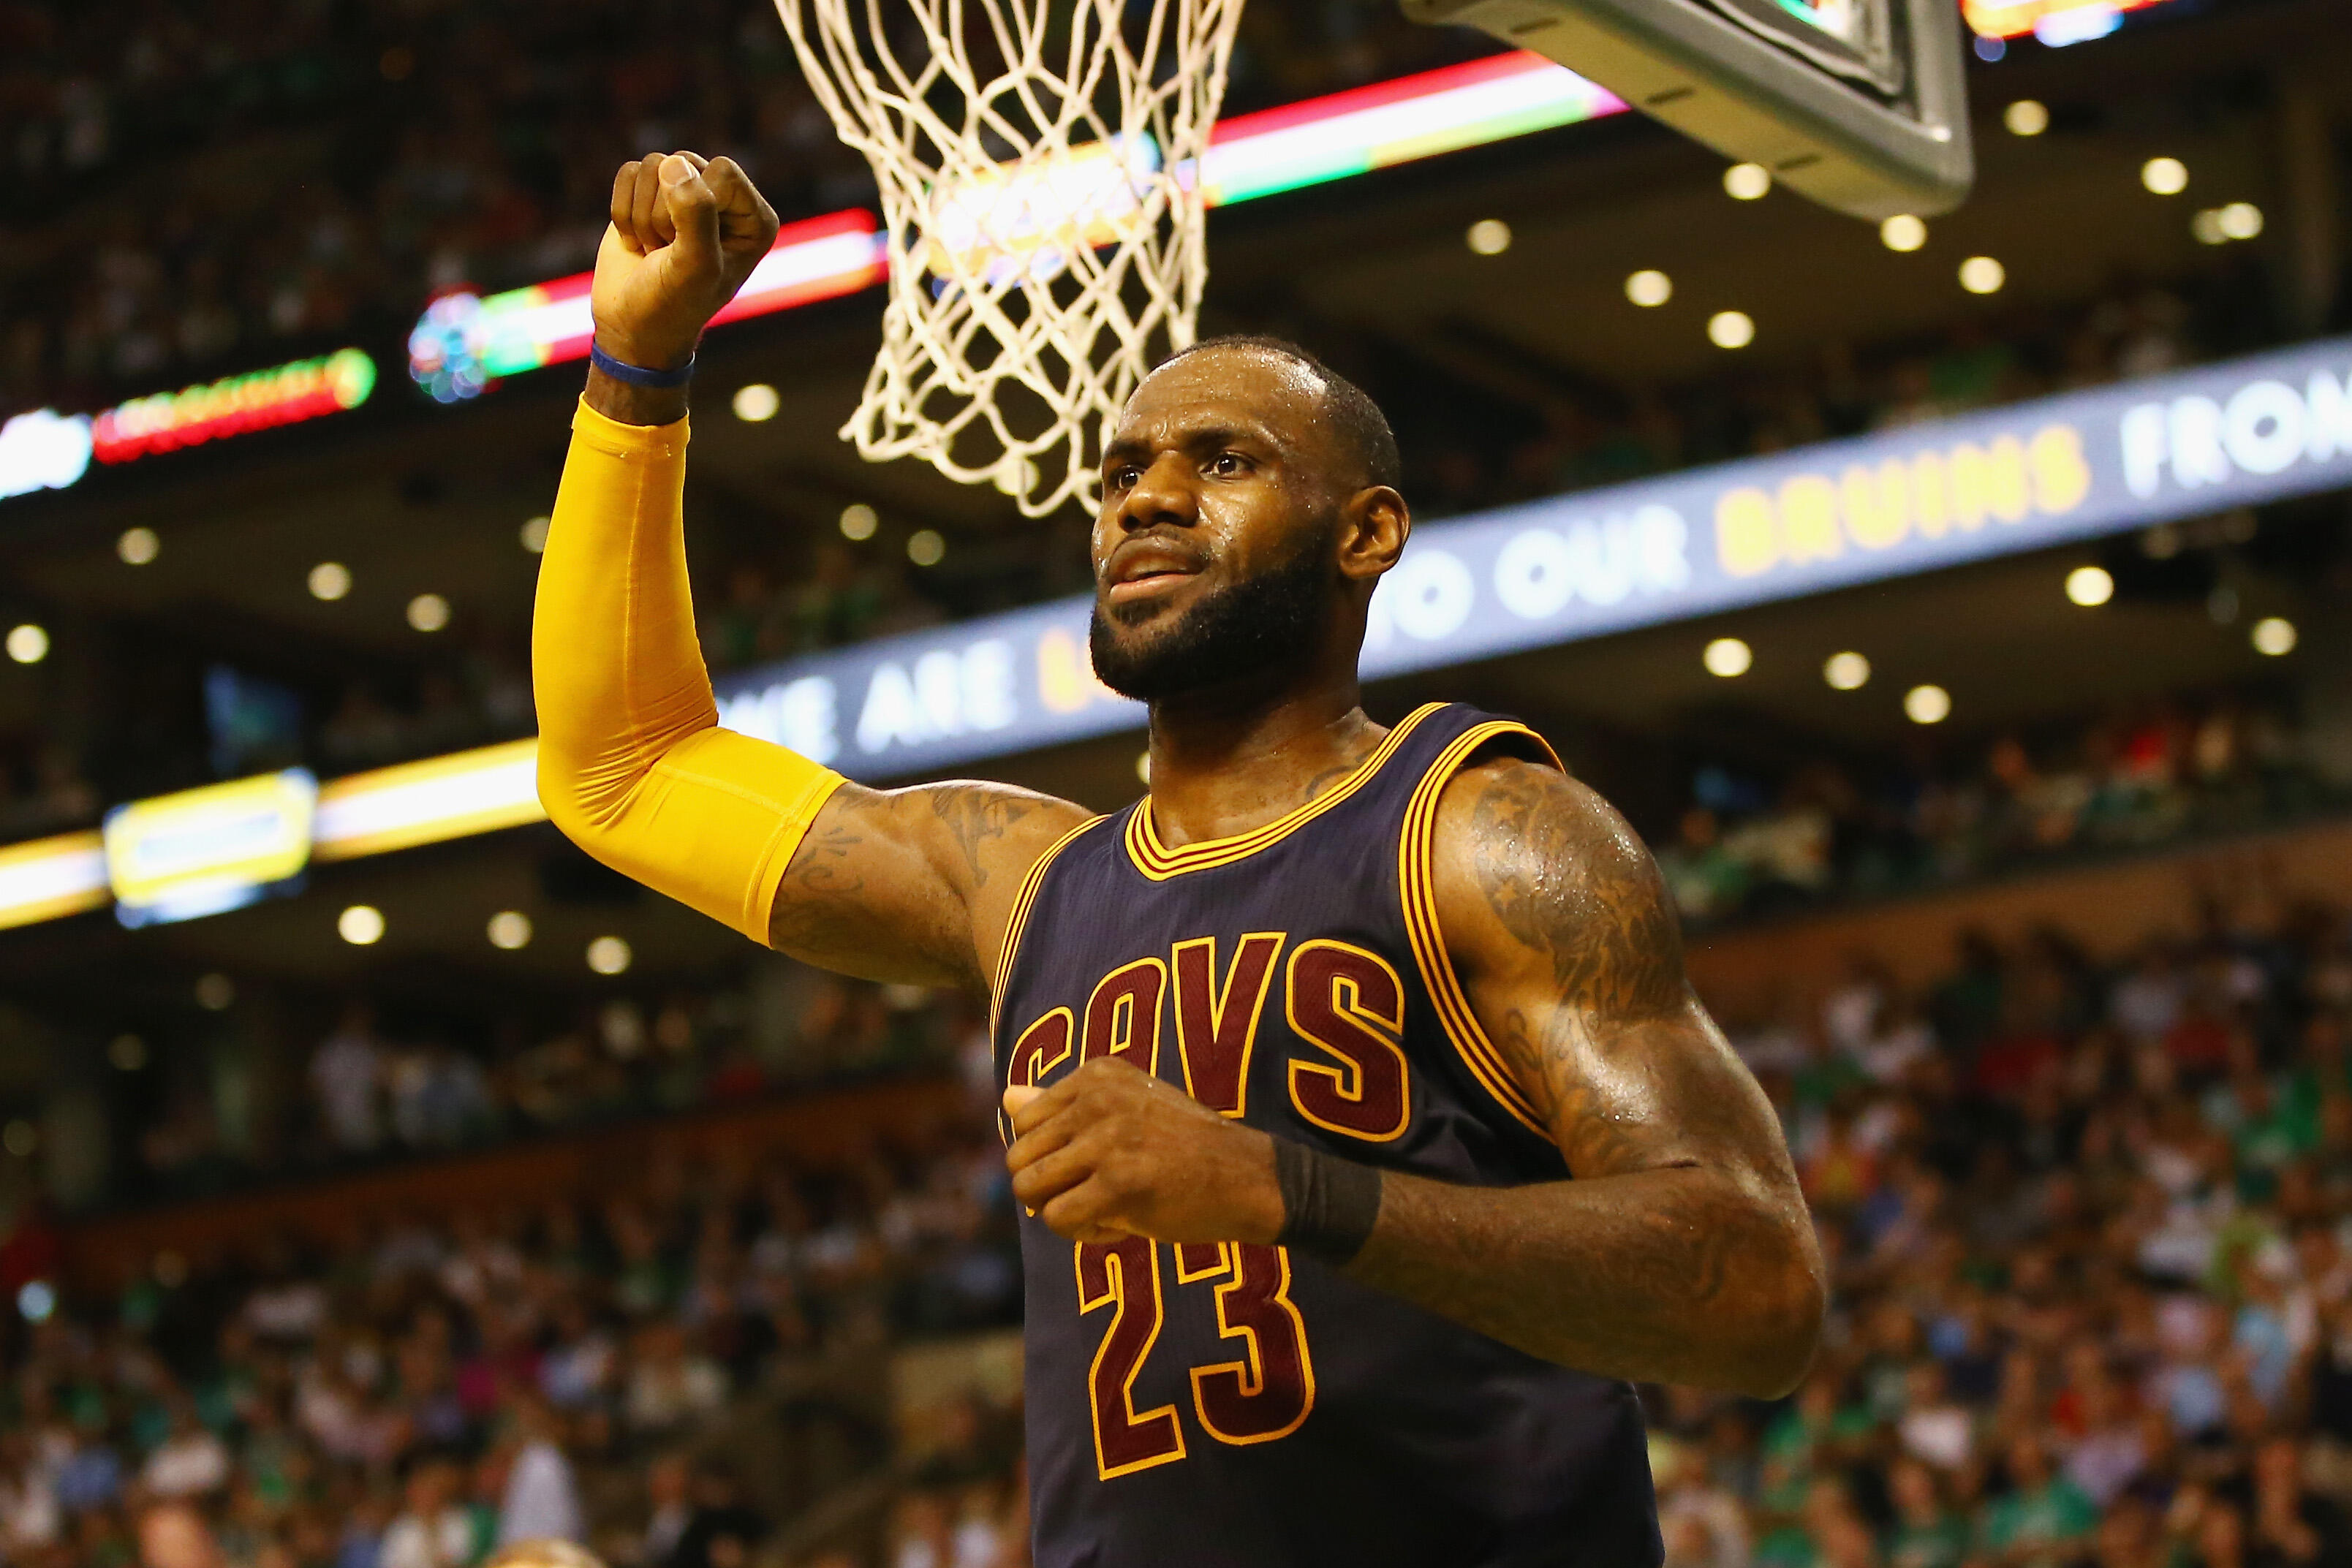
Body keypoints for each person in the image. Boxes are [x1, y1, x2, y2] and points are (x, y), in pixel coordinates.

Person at [534, 150, 1825, 1568]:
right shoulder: (1021, 878)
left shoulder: (1481, 830)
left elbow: (1756, 1286)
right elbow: (623, 769)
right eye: (1123, 470)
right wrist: (637, 366)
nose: (1147, 497)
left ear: (1366, 531)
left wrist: (1286, 1187)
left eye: (1222, 461)